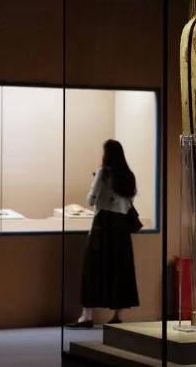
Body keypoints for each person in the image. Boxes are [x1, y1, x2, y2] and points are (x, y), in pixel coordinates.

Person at [65, 139, 140, 329]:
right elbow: (130, 200)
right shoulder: (128, 175)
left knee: (93, 270)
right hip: (121, 228)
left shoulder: (103, 173)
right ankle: (117, 315)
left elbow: (91, 200)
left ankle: (86, 316)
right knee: (120, 270)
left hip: (103, 225)